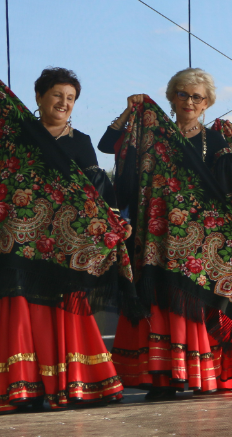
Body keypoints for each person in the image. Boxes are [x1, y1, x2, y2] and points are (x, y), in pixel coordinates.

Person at [100, 68, 232, 399]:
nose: (189, 101)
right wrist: (129, 112)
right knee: (157, 299)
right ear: (171, 97)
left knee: (193, 301)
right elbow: (107, 144)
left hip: (200, 242)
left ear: (207, 103)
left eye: (197, 97)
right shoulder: (152, 135)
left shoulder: (214, 140)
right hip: (155, 237)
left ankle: (198, 376)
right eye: (182, 94)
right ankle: (162, 380)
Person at [0, 68, 133, 412]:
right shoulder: (16, 135)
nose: (64, 103)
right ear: (39, 97)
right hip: (21, 243)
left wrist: (114, 221)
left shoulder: (81, 142)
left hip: (64, 246)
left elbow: (95, 189)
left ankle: (74, 385)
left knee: (67, 309)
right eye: (57, 95)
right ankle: (24, 390)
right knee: (20, 308)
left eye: (70, 98)